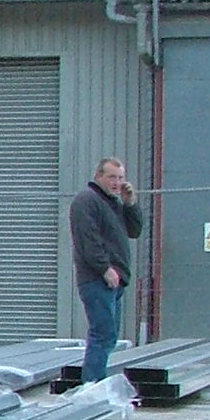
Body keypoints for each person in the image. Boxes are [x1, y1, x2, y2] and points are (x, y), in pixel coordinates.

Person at [69, 156, 145, 383]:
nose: (116, 182)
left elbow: (134, 231)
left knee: (109, 335)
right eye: (111, 177)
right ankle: (92, 386)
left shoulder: (114, 203)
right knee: (102, 334)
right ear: (98, 176)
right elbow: (88, 240)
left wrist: (130, 204)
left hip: (117, 280)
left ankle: (96, 383)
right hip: (97, 279)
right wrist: (104, 269)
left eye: (121, 178)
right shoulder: (87, 201)